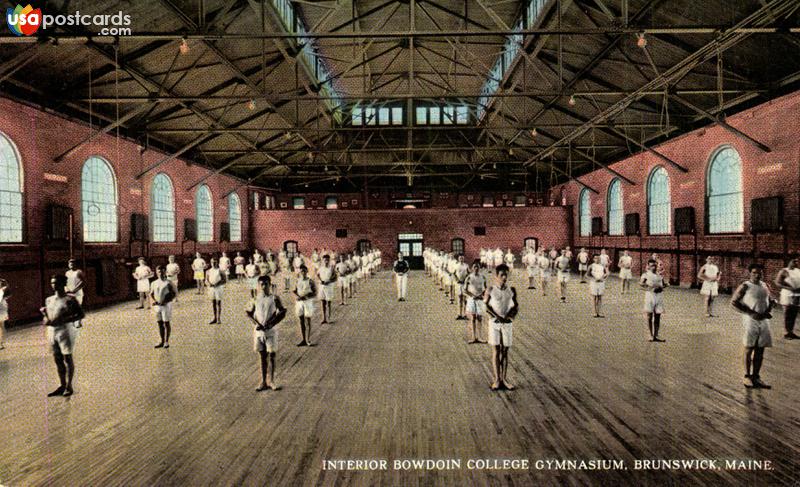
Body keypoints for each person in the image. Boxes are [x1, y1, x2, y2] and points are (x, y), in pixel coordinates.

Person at [732, 263, 775, 389]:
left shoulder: (765, 285)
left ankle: (756, 376)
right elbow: (734, 302)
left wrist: (769, 310)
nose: (757, 275)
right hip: (750, 320)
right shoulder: (745, 286)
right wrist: (751, 313)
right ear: (750, 273)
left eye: (759, 273)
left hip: (764, 320)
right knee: (749, 347)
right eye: (754, 272)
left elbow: (771, 300)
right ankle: (747, 376)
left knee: (761, 348)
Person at [41, 275, 85, 397]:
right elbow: (47, 319)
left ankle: (69, 386)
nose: (53, 285)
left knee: (67, 358)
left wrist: (65, 319)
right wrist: (45, 315)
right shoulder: (49, 300)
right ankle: (62, 384)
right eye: (52, 283)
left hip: (65, 331)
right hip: (52, 332)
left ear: (62, 284)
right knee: (57, 359)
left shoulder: (70, 299)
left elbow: (81, 315)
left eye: (56, 283)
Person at [246, 275, 287, 391]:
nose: (264, 287)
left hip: (271, 332)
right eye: (261, 284)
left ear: (270, 284)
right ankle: (263, 381)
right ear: (258, 286)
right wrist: (256, 323)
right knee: (262, 356)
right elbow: (248, 313)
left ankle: (272, 381)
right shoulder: (254, 298)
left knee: (272, 355)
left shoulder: (274, 298)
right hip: (259, 332)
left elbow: (283, 312)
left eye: (266, 284)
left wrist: (272, 323)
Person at [485, 264, 518, 391]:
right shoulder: (490, 289)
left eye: (506, 275)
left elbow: (515, 306)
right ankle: (497, 379)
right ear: (496, 276)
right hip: (494, 323)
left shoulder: (511, 290)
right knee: (496, 351)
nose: (504, 277)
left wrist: (510, 317)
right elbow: (486, 306)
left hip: (507, 324)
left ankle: (504, 379)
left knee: (505, 351)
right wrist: (497, 317)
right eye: (501, 275)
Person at [150, 266, 177, 349]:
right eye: (159, 272)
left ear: (165, 272)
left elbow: (174, 294)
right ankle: (161, 341)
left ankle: (166, 341)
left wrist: (165, 301)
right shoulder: (154, 283)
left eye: (162, 272)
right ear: (156, 273)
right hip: (158, 306)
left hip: (166, 305)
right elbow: (151, 294)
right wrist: (154, 301)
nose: (161, 274)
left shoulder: (169, 283)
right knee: (159, 323)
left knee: (166, 323)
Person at [640, 259, 667, 342]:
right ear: (648, 266)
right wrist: (650, 288)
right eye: (651, 266)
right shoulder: (646, 275)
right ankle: (650, 335)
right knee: (649, 315)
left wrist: (665, 285)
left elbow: (663, 284)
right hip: (650, 296)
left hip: (659, 296)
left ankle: (656, 335)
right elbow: (641, 284)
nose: (653, 267)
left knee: (658, 316)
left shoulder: (659, 275)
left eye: (655, 265)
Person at [775, 256, 800, 339]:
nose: (796, 263)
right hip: (787, 294)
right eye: (794, 261)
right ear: (789, 261)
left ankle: (791, 332)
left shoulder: (798, 271)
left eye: (796, 261)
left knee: (794, 314)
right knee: (787, 314)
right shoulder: (784, 271)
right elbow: (777, 283)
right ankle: (786, 333)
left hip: (797, 294)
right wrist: (789, 288)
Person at [293, 264, 317, 347]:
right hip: (300, 302)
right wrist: (297, 297)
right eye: (301, 271)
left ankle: (308, 339)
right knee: (301, 321)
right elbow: (294, 291)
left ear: (307, 271)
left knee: (308, 320)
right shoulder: (297, 281)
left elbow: (315, 292)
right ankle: (303, 339)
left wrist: (307, 296)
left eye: (304, 271)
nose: (302, 272)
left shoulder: (310, 281)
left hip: (307, 302)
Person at [465, 260, 487, 344]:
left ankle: (480, 336)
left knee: (480, 318)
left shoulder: (483, 277)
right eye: (475, 267)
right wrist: (472, 295)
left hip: (480, 299)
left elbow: (486, 288)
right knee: (473, 317)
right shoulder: (469, 277)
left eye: (478, 267)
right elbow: (465, 289)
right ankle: (474, 337)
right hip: (472, 299)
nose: (476, 268)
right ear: (472, 268)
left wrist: (482, 295)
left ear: (480, 268)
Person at [317, 254, 337, 325]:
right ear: (323, 260)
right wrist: (320, 280)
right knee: (323, 302)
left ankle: (329, 318)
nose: (326, 261)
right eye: (325, 260)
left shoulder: (331, 268)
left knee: (328, 302)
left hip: (329, 286)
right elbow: (318, 275)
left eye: (327, 260)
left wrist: (329, 281)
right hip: (322, 286)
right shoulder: (321, 268)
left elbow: (335, 277)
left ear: (329, 260)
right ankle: (324, 318)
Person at [65, 259, 86, 327]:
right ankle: (73, 321)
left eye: (73, 263)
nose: (71, 265)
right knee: (71, 308)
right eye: (70, 264)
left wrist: (75, 289)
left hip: (78, 293)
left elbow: (83, 282)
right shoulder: (67, 273)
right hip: (69, 293)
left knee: (78, 306)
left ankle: (78, 321)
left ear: (76, 264)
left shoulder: (79, 272)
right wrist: (66, 290)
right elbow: (66, 282)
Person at [206, 258, 226, 324]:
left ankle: (218, 318)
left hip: (218, 288)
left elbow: (224, 280)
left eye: (215, 262)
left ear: (217, 263)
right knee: (213, 303)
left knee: (218, 302)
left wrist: (218, 283)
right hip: (211, 288)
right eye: (212, 262)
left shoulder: (220, 271)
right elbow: (206, 280)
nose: (213, 264)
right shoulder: (208, 271)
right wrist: (209, 284)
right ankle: (214, 317)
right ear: (210, 263)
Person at [454, 254, 469, 320]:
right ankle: (459, 314)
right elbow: (454, 273)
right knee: (459, 299)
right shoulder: (456, 265)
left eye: (462, 258)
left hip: (464, 284)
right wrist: (457, 279)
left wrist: (466, 280)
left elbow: (469, 273)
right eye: (460, 258)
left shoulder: (466, 266)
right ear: (458, 259)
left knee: (465, 300)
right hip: (458, 284)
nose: (461, 259)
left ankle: (465, 314)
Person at [0, 278, 9, 350]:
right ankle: (1, 343)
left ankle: (1, 343)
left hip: (1, 309)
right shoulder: (2, 290)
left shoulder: (2, 290)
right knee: (1, 327)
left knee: (1, 326)